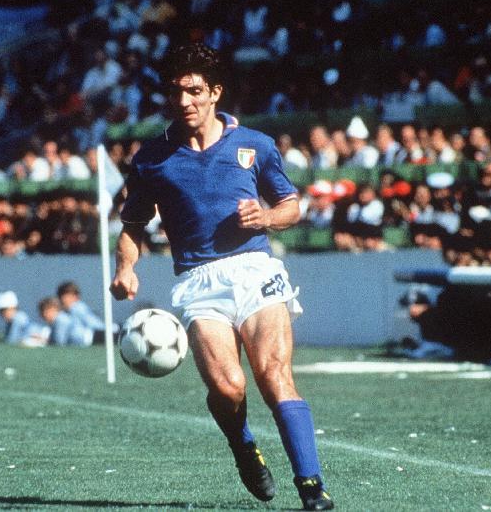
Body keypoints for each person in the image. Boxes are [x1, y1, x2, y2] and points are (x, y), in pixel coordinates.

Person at [110, 42, 334, 511]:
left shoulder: (256, 145)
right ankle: (242, 445)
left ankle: (312, 488)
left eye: (194, 91)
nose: (184, 101)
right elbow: (133, 225)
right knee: (229, 387)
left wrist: (267, 218)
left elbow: (292, 206)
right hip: (197, 279)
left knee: (274, 377)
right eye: (176, 92)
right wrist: (126, 267)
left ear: (215, 92)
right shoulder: (152, 158)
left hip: (255, 269)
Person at [57, 281, 115, 347]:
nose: (63, 299)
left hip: (94, 339)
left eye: (68, 296)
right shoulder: (65, 313)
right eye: (62, 296)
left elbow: (95, 324)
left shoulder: (77, 308)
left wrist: (113, 330)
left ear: (76, 296)